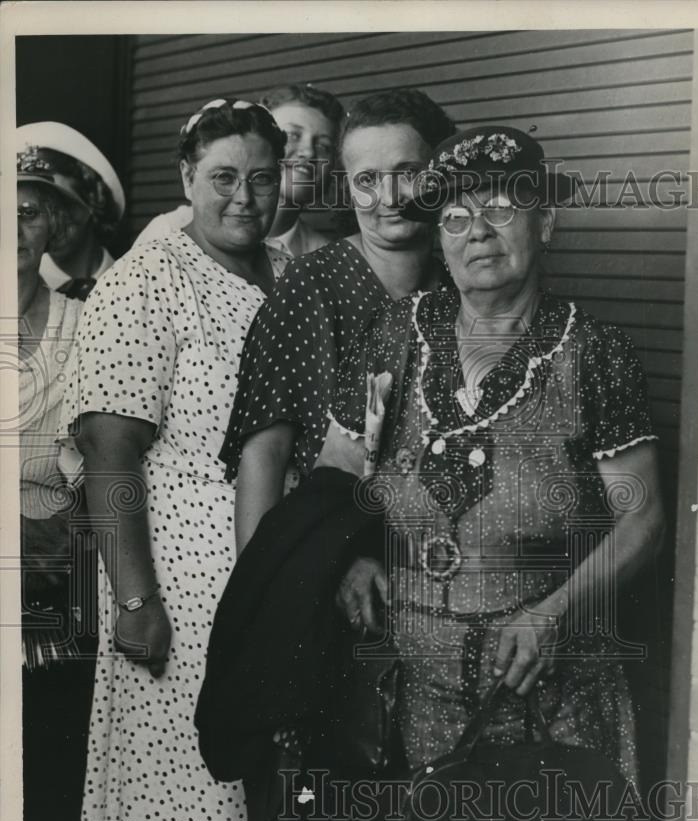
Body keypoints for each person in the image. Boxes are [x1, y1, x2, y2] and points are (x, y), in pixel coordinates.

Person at [315, 125, 666, 821]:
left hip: (548, 694)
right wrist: (357, 554)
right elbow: (336, 471)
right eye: (456, 215)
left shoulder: (596, 350)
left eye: (504, 206)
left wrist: (553, 612)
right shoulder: (395, 335)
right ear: (436, 238)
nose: (479, 229)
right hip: (421, 696)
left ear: (547, 222)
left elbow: (645, 517)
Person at [57, 97, 290, 821]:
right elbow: (109, 453)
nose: (244, 196)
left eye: (263, 178)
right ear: (187, 178)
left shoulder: (288, 272)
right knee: (199, 797)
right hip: (180, 581)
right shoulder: (147, 279)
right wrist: (135, 599)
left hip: (268, 562)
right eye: (224, 177)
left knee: (251, 791)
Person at [220, 87, 456, 553]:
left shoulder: (459, 282)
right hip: (330, 550)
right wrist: (263, 583)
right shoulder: (311, 283)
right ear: (346, 186)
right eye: (366, 179)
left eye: (407, 173)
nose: (387, 196)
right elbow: (264, 454)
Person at [16, 143, 96, 821]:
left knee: (46, 765)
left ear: (58, 223)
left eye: (31, 207)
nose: (12, 221)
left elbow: (100, 464)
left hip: (49, 591)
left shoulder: (86, 323)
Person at [134, 83, 344, 258]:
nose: (308, 151)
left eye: (323, 146)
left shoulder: (324, 256)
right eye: (292, 135)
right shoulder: (170, 231)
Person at [16, 121, 125, 300]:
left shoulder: (131, 281)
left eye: (54, 202)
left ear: (92, 198)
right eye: (32, 211)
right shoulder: (14, 291)